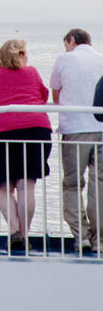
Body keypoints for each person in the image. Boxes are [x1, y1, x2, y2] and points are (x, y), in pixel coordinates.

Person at [0, 39, 51, 253]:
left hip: (2, 131)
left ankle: (14, 230)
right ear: (22, 54)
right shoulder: (32, 72)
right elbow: (43, 96)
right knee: (27, 185)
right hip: (36, 128)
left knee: (4, 187)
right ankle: (24, 235)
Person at [49, 28, 103, 255]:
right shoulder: (101, 59)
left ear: (71, 40)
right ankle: (99, 239)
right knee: (99, 184)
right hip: (101, 128)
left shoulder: (64, 58)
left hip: (74, 129)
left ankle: (80, 235)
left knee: (72, 184)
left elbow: (55, 93)